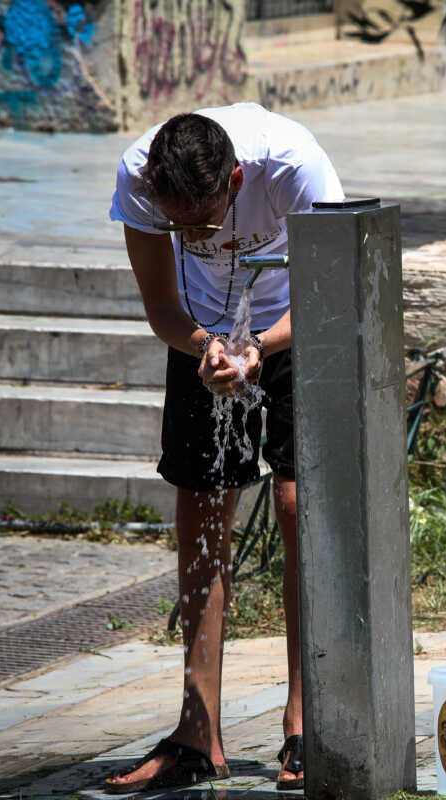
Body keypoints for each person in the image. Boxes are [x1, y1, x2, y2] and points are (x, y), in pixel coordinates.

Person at [103, 103, 344, 793]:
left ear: (237, 180)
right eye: (178, 227)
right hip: (205, 333)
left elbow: (332, 285)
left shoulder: (295, 168)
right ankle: (196, 731)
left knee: (301, 505)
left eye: (201, 224)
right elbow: (160, 305)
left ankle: (305, 721)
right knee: (201, 508)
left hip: (297, 321)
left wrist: (258, 348)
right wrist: (210, 349)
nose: (192, 236)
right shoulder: (138, 175)